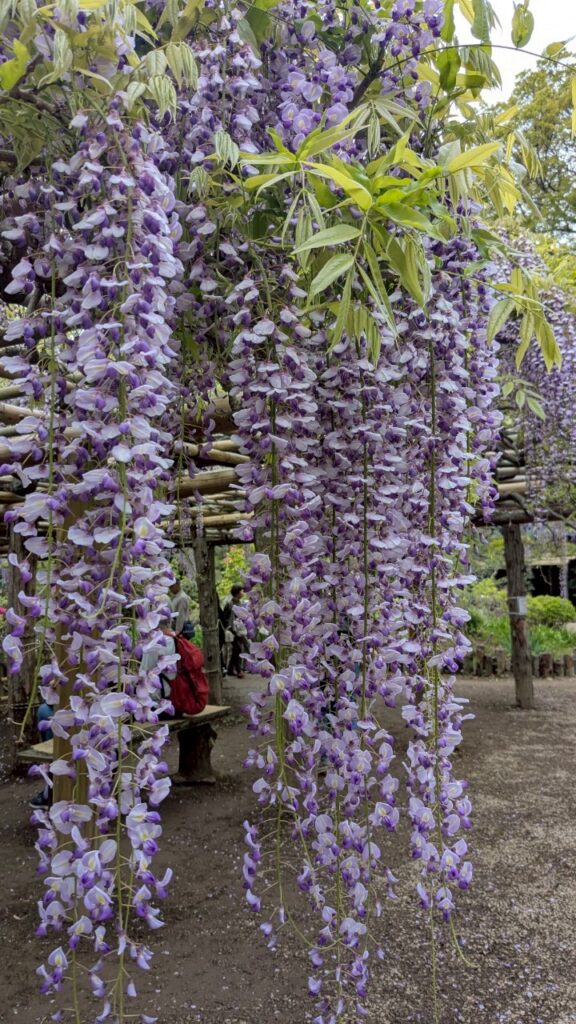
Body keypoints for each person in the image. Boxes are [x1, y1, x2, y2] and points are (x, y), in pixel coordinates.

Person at [221, 584, 249, 678]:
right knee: (238, 649)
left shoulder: (240, 603)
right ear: (237, 593)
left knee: (237, 650)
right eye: (241, 591)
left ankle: (230, 669)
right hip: (233, 630)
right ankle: (239, 670)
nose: (243, 592)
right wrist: (228, 627)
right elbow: (224, 616)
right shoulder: (230, 604)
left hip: (240, 629)